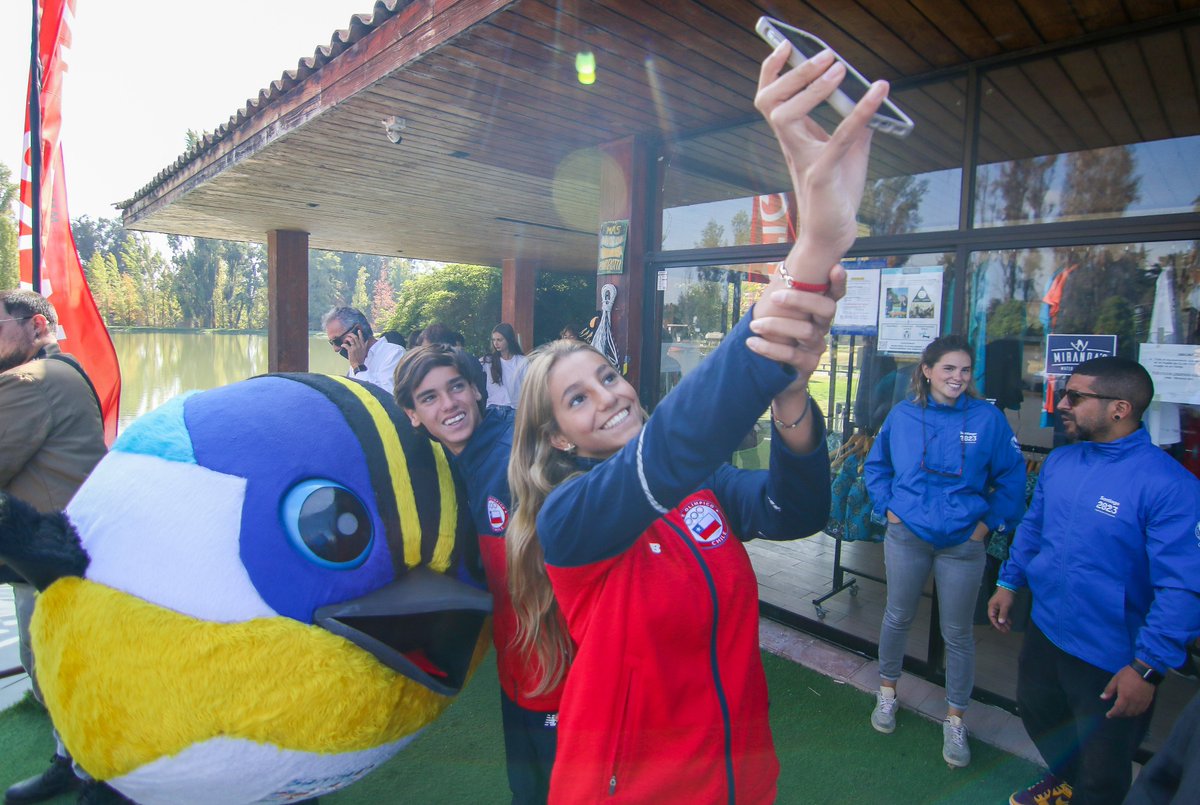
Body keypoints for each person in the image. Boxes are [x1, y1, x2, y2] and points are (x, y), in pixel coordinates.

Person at [503, 43, 887, 803]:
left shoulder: (696, 488)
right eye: (576, 399)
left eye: (607, 375)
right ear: (557, 439)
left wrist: (790, 400)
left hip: (738, 778)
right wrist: (811, 250)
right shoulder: (572, 519)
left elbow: (794, 510)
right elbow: (673, 445)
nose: (608, 395)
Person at [988, 357, 1200, 805]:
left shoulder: (1170, 485)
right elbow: (1033, 529)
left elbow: (1183, 587)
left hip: (1112, 656)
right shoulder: (1062, 461)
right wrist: (1008, 583)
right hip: (1047, 633)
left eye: (1076, 397)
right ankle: (1068, 782)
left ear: (1120, 408)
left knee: (1104, 775)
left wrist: (1147, 667)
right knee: (1041, 716)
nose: (1062, 404)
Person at [394, 344, 561, 804]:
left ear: (476, 391)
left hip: (564, 674)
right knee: (527, 792)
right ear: (412, 414)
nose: (448, 405)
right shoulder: (450, 466)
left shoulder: (518, 456)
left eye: (456, 387)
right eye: (429, 398)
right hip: (518, 669)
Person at [863, 335, 1025, 767]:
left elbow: (1013, 479)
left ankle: (955, 718)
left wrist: (985, 526)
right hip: (907, 535)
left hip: (962, 544)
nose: (957, 377)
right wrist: (889, 508)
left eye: (965, 370)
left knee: (958, 634)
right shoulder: (902, 415)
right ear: (927, 371)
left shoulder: (988, 419)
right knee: (897, 616)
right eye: (949, 368)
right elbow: (876, 467)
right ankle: (886, 692)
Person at [0, 290, 112, 804]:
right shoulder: (56, 372)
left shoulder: (31, 381)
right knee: (51, 664)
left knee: (59, 667)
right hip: (60, 554)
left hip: (52, 561)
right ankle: (74, 762)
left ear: (37, 325)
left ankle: (98, 775)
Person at [320, 306, 405, 395]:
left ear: (358, 331)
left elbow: (387, 399)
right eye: (331, 343)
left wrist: (359, 367)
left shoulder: (395, 354)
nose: (335, 349)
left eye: (336, 341)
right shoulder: (356, 360)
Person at [482, 323, 528, 410]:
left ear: (509, 340)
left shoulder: (522, 361)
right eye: (493, 340)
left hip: (515, 408)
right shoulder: (488, 361)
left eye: (499, 340)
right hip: (493, 409)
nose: (495, 343)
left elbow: (529, 387)